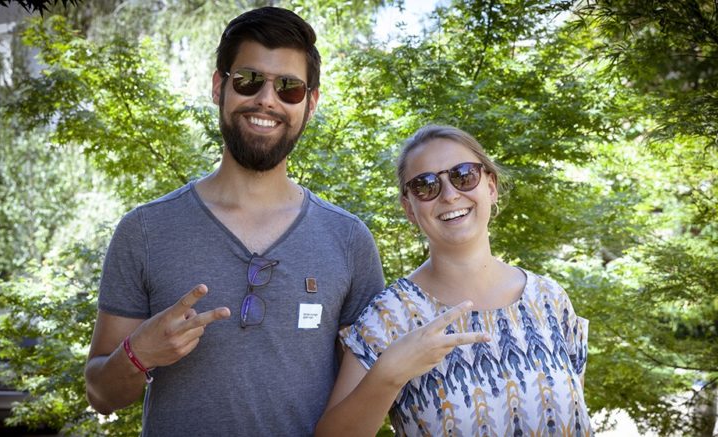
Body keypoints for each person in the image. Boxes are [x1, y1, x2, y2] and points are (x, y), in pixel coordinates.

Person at [84, 7, 385, 436]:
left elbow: (365, 397)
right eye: (248, 80)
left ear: (310, 104)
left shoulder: (348, 239)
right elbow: (100, 394)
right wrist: (138, 353)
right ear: (218, 86)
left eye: (289, 88)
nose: (267, 99)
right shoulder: (145, 230)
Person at [316, 125, 591, 436]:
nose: (449, 195)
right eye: (425, 185)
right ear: (409, 208)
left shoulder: (550, 300)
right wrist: (389, 374)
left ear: (491, 186)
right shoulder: (390, 317)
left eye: (463, 175)